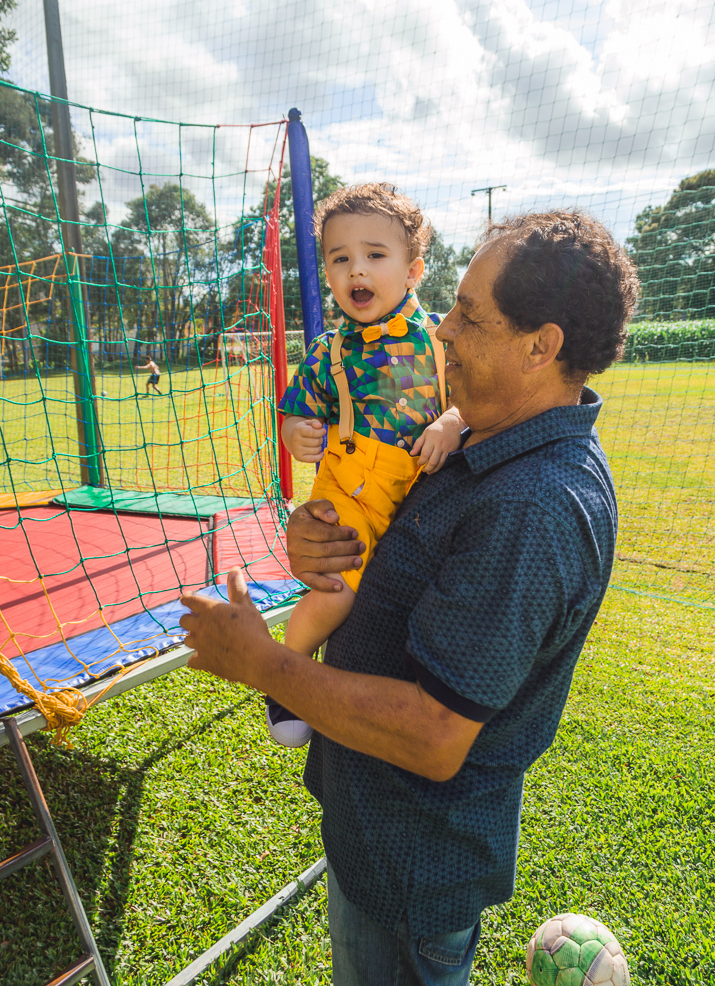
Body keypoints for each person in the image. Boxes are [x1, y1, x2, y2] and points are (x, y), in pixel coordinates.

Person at [180, 210, 639, 986]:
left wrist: (263, 664)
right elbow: (393, 545)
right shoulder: (483, 438)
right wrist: (317, 543)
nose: (445, 329)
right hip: (376, 833)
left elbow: (434, 735)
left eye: (469, 315)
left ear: (541, 347)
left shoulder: (533, 507)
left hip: (409, 866)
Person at [271, 184, 466, 747]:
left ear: (413, 270)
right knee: (336, 588)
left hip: (422, 490)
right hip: (350, 487)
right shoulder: (327, 350)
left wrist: (451, 422)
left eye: (375, 255)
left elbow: (471, 405)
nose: (356, 269)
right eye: (340, 259)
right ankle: (287, 675)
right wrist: (296, 433)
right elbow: (295, 411)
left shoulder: (442, 339)